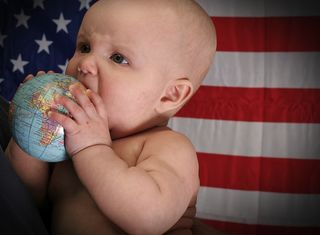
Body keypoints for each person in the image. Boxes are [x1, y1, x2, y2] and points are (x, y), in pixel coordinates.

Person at [5, 0, 217, 234]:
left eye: (118, 58)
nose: (84, 64)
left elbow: (148, 218)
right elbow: (27, 202)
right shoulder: (66, 142)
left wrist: (93, 148)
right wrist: (29, 130)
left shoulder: (167, 147)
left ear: (170, 95)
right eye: (85, 47)